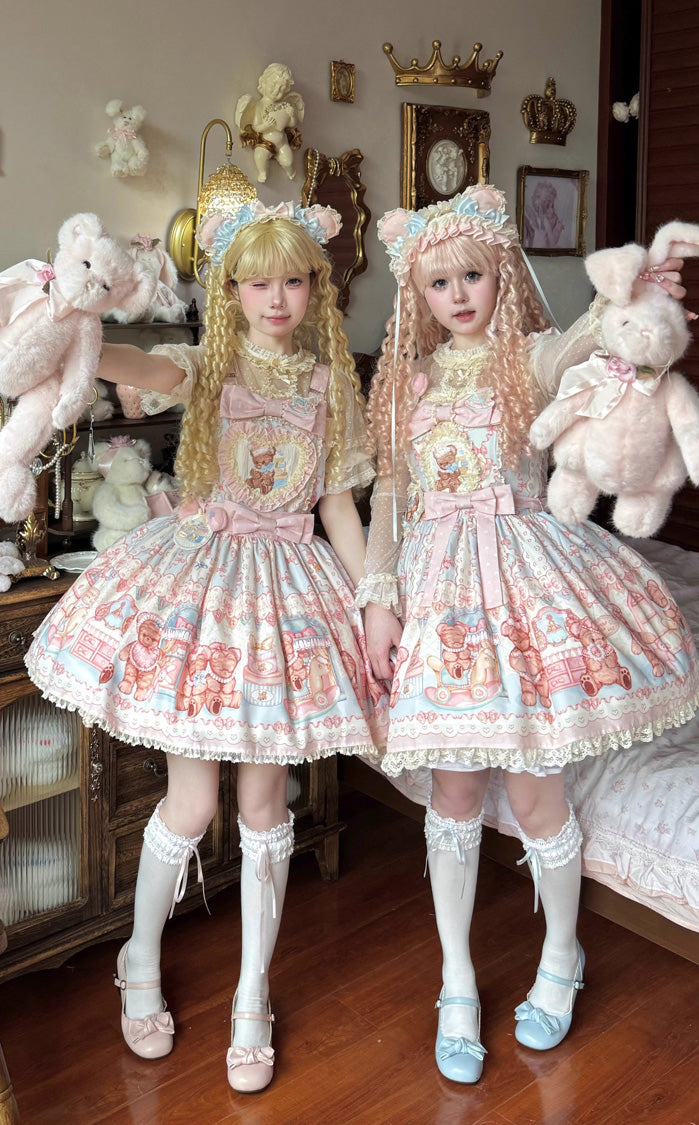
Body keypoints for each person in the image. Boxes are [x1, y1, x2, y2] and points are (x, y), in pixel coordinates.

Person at [25, 198, 386, 1093]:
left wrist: (374, 597)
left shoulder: (330, 384)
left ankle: (252, 992)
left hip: (289, 592)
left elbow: (339, 506)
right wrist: (73, 325)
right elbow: (137, 363)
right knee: (190, 804)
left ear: (315, 288)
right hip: (208, 587)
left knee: (266, 804)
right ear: (230, 292)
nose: (277, 298)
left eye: (293, 281)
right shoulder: (207, 365)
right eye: (258, 283)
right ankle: (139, 957)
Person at [358, 184, 699, 1083]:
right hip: (440, 593)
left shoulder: (530, 358)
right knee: (453, 794)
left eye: (473, 276)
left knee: (537, 792)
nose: (458, 296)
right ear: (417, 294)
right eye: (439, 283)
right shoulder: (407, 380)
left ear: (501, 274)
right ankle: (457, 979)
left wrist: (635, 290)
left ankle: (561, 952)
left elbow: (592, 336)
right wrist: (379, 594)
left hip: (523, 575)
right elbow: (391, 491)